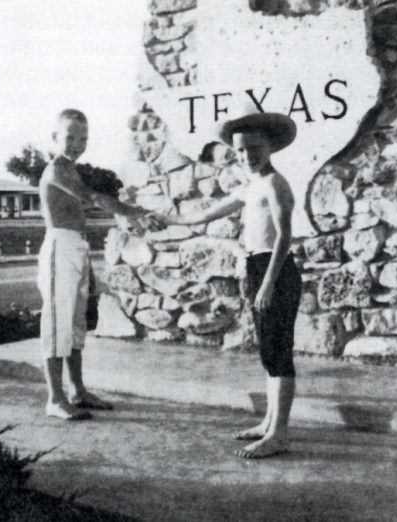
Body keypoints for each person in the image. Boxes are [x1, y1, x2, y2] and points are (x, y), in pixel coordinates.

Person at [152, 111, 302, 458]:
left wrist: (267, 285)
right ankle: (268, 423)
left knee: (279, 353)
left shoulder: (275, 184)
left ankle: (279, 434)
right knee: (268, 352)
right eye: (241, 150)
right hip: (256, 267)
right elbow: (202, 215)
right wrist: (161, 219)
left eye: (255, 148)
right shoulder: (250, 187)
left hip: (274, 270)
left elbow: (284, 238)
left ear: (269, 147)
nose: (248, 155)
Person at [37, 108, 162, 420]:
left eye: (83, 138)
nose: (77, 144)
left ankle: (77, 391)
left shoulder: (72, 168)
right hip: (59, 247)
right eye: (69, 137)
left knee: (77, 323)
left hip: (76, 246)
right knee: (57, 325)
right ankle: (55, 398)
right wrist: (134, 212)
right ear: (54, 138)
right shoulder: (57, 170)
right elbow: (93, 198)